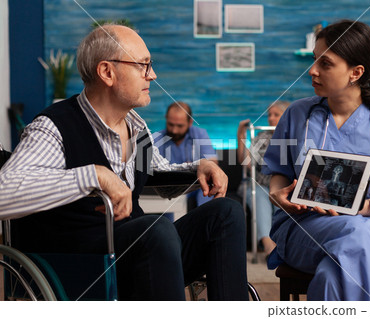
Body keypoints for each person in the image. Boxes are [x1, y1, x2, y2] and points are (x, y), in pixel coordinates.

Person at [0, 24, 248, 301]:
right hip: (82, 266)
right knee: (156, 228)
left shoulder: (136, 128)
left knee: (226, 212)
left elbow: (157, 174)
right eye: (143, 65)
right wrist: (95, 175)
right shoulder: (52, 127)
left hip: (138, 253)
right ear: (107, 72)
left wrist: (197, 168)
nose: (152, 75)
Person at [263, 20, 370, 301]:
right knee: (356, 237)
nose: (313, 70)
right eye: (313, 60)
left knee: (332, 274)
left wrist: (356, 209)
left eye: (326, 63)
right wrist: (277, 195)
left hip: (369, 228)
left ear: (356, 72)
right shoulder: (296, 115)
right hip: (302, 228)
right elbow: (278, 172)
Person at [236, 101, 289, 258]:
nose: (271, 118)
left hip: (284, 186)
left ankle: (286, 245)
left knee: (284, 200)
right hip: (260, 184)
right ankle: (268, 246)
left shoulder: (295, 136)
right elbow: (246, 163)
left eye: (276, 115)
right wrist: (241, 136)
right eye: (269, 115)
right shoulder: (262, 136)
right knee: (259, 194)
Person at [154, 101, 217, 207]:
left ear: (190, 122)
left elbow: (212, 163)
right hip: (170, 187)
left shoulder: (200, 134)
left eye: (179, 126)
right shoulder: (156, 139)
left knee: (206, 190)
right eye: (170, 124)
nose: (174, 130)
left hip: (196, 185)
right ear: (166, 119)